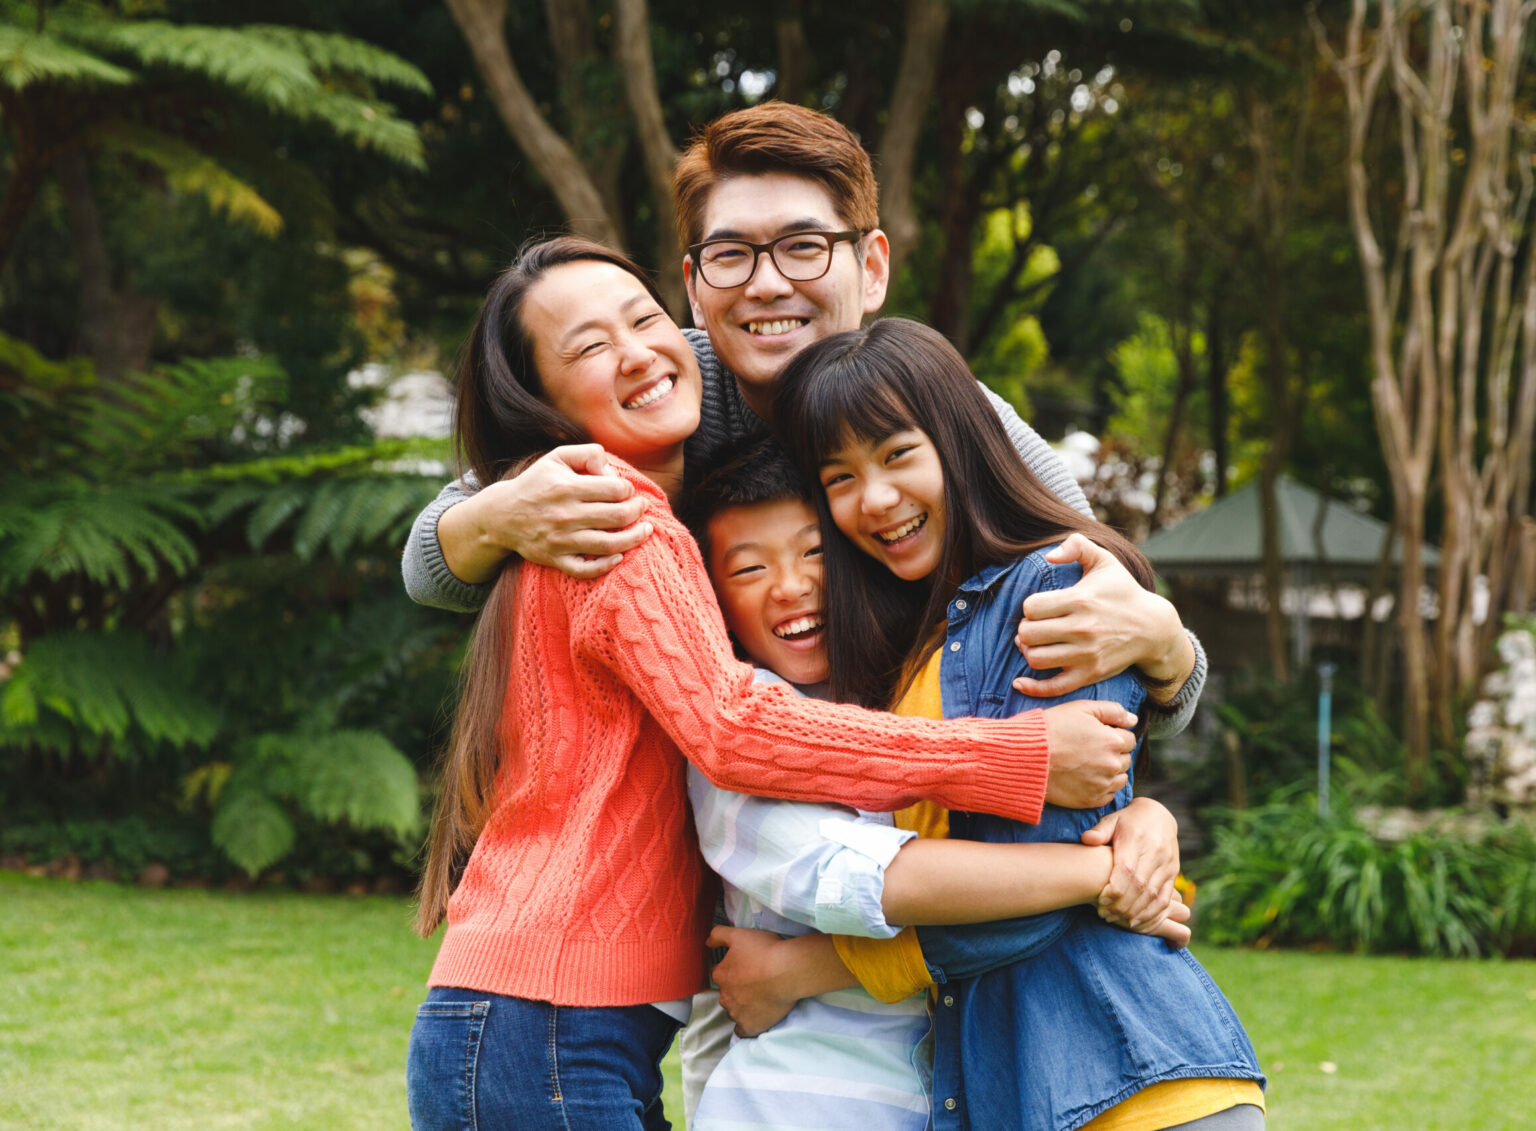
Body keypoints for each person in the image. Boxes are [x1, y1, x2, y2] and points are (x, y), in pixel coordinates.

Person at [404, 239, 1149, 1131]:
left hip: (555, 1021)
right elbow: (735, 730)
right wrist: (1019, 756)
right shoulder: (607, 518)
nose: (637, 349)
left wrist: (1167, 649)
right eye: (589, 347)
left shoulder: (638, 507)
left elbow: (1045, 525)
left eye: (641, 320)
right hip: (548, 1020)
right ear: (541, 402)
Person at [399, 101, 1206, 748]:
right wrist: (502, 513)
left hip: (913, 788)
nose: (767, 283)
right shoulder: (659, 386)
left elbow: (1114, 620)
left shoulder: (952, 419)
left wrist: (1168, 649)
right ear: (693, 282)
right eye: (732, 255)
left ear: (874, 266)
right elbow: (430, 559)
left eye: (805, 247)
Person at [760, 317, 1265, 1131]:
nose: (875, 499)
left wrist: (802, 968)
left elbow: (1035, 885)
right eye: (839, 477)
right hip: (1021, 1089)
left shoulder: (1055, 590)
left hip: (1131, 1081)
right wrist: (1137, 821)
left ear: (958, 441)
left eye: (896, 454)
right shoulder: (919, 640)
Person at [679, 438, 1190, 1131]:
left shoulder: (916, 690)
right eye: (748, 568)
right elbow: (867, 880)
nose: (791, 585)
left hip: (953, 1094)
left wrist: (1142, 817)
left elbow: (1005, 848)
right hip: (800, 1103)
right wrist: (1106, 873)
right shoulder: (741, 725)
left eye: (815, 552)